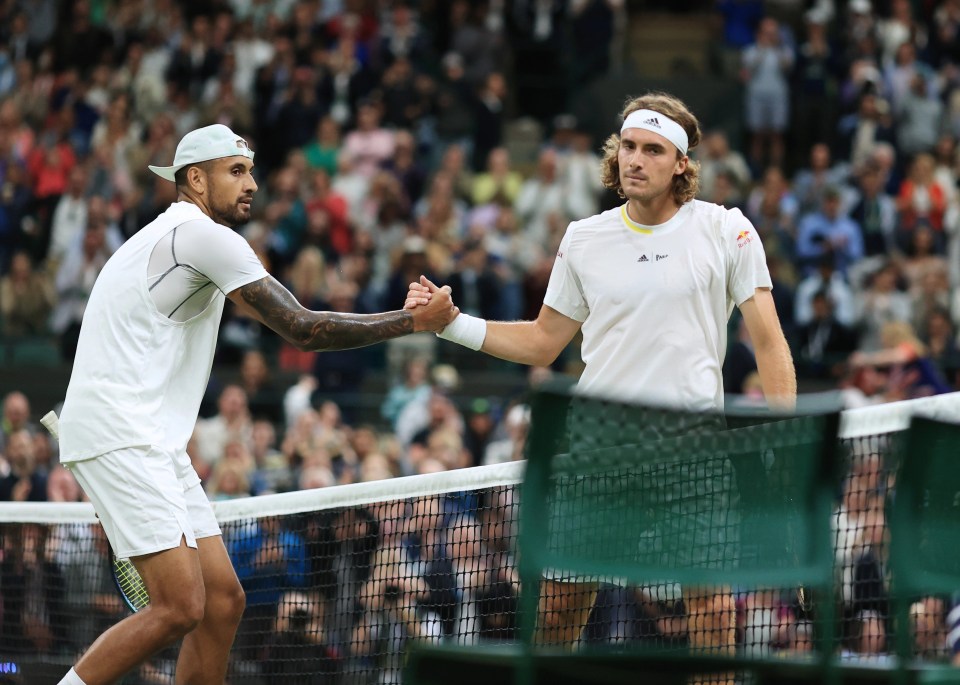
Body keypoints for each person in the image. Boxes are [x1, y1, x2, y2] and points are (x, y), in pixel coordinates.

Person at [53, 124, 457, 685]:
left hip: (152, 440)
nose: (253, 184)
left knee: (221, 603)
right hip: (121, 433)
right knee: (179, 607)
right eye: (236, 171)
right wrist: (413, 321)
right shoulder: (201, 236)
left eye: (251, 170)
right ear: (195, 179)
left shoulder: (172, 237)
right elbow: (304, 328)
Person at [408, 92, 796, 663]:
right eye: (629, 147)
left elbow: (769, 343)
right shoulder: (584, 238)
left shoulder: (726, 230)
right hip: (596, 455)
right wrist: (453, 325)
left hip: (693, 454)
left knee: (712, 614)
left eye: (653, 150)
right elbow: (544, 341)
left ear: (681, 164)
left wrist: (784, 443)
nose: (635, 160)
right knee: (557, 617)